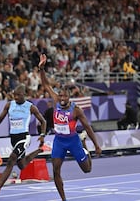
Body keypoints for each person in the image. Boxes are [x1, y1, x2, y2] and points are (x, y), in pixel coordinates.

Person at [38, 53, 102, 201]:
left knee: (87, 169)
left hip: (73, 141)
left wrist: (97, 145)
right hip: (59, 141)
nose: (62, 99)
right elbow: (46, 85)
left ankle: (85, 147)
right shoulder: (56, 102)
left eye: (64, 97)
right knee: (55, 170)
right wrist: (41, 69)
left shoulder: (76, 110)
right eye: (60, 96)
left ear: (69, 97)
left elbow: (88, 127)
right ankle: (63, 199)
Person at [0, 84, 47, 199]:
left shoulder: (30, 107)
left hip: (24, 137)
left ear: (24, 95)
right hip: (13, 139)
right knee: (22, 165)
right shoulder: (9, 105)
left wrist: (42, 135)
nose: (15, 97)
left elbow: (43, 121)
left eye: (18, 95)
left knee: (11, 160)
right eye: (14, 95)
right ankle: (40, 150)